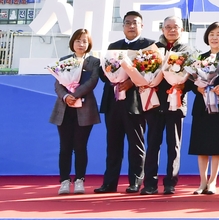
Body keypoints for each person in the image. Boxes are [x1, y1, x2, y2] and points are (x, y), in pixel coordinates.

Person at [95, 11, 155, 194]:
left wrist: (131, 81)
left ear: (141, 26)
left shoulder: (149, 46)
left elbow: (151, 72)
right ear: (122, 26)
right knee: (113, 143)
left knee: (136, 143)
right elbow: (102, 72)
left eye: (135, 23)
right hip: (113, 101)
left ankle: (135, 181)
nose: (131, 26)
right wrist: (112, 77)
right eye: (127, 23)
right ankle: (109, 183)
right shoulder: (114, 46)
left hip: (135, 102)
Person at [142, 16, 195, 195]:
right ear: (162, 29)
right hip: (155, 102)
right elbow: (144, 71)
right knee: (153, 144)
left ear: (182, 30)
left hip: (176, 102)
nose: (172, 30)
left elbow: (194, 78)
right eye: (168, 27)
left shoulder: (188, 50)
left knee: (174, 145)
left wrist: (182, 85)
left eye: (176, 27)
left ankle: (170, 182)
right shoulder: (153, 49)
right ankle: (149, 183)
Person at [50, 28, 101, 195]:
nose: (81, 44)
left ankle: (80, 180)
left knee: (80, 146)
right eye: (78, 41)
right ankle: (64, 181)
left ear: (89, 44)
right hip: (64, 108)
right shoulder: (64, 60)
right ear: (72, 43)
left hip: (85, 108)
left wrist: (75, 94)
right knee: (65, 147)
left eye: (85, 41)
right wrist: (66, 97)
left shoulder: (93, 61)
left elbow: (92, 82)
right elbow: (58, 83)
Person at [187, 22, 219, 195]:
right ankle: (202, 182)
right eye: (211, 34)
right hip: (202, 106)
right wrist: (197, 88)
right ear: (207, 37)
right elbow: (190, 81)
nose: (214, 37)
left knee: (217, 146)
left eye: (218, 34)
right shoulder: (199, 58)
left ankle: (213, 181)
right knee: (201, 145)